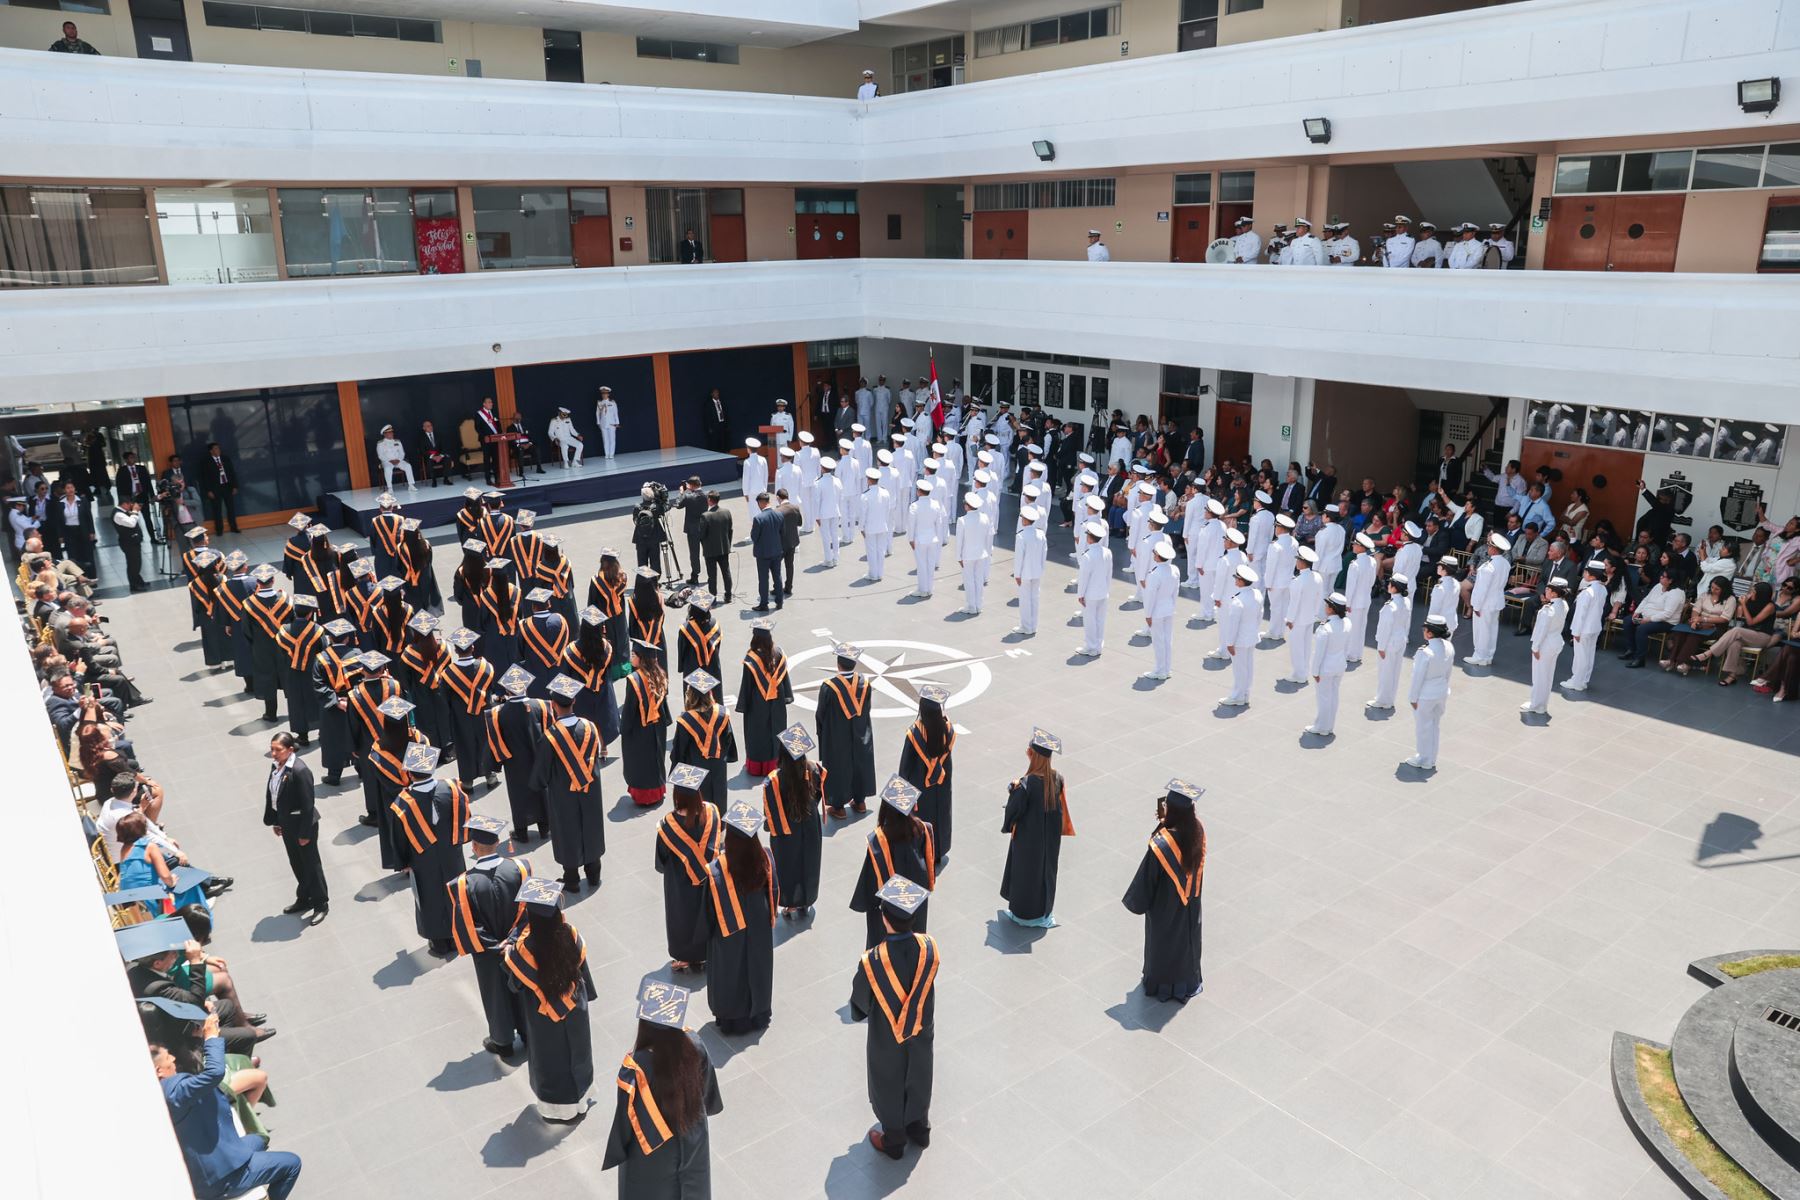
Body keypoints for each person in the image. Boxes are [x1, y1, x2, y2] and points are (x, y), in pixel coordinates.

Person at [154, 1021, 302, 1200]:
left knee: (259, 1140)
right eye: (167, 1057)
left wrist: (198, 1039)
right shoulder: (174, 1093)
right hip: (221, 1180)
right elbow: (214, 1073)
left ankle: (252, 1165)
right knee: (292, 1164)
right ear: (158, 1070)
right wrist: (211, 1037)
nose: (172, 1059)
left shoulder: (165, 1092)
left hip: (215, 1159)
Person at [603, 978, 724, 1191]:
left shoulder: (636, 1067)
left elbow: (625, 1118)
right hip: (691, 1134)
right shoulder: (694, 1044)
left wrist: (619, 1148)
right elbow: (706, 1089)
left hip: (652, 1152)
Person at [503, 879, 597, 1123]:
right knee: (578, 1051)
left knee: (552, 1059)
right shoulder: (570, 934)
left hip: (544, 1016)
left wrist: (509, 953)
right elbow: (582, 968)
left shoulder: (524, 950)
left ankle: (558, 1110)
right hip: (574, 1006)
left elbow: (515, 985)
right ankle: (581, 1100)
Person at [448, 814, 530, 1055]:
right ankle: (529, 1034)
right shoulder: (521, 869)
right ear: (497, 842)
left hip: (487, 953)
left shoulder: (463, 883)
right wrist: (512, 941)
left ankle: (503, 1043)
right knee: (524, 985)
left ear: (474, 847)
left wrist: (496, 947)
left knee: (495, 994)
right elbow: (529, 909)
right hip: (519, 946)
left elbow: (468, 926)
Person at [1121, 779, 1206, 1002]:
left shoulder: (1162, 844)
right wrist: (1165, 825)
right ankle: (1188, 982)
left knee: (1163, 945)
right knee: (1187, 944)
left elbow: (1147, 879)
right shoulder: (1197, 831)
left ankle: (1162, 986)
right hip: (1190, 905)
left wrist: (1162, 828)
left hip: (1165, 907)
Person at [700, 799, 776, 1034]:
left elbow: (707, 914)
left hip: (728, 932)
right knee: (758, 966)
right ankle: (759, 1012)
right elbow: (774, 893)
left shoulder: (717, 871)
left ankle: (732, 1019)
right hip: (759, 925)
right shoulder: (765, 858)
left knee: (731, 969)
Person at [533, 674, 605, 892]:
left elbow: (541, 773)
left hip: (563, 793)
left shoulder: (550, 737)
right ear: (574, 700)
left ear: (553, 705)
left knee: (567, 831)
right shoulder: (591, 727)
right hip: (590, 790)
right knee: (591, 827)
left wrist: (538, 783)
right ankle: (594, 874)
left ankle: (572, 879)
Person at [850, 777, 937, 947]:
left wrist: (868, 903)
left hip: (888, 910)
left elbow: (870, 883)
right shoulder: (923, 829)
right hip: (915, 902)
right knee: (914, 943)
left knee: (886, 950)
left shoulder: (879, 841)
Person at [1000, 729, 1068, 928]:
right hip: (1050, 841)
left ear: (1032, 755)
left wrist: (1012, 791)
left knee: (1026, 874)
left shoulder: (1026, 785)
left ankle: (1024, 916)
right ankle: (1043, 913)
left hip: (1028, 840)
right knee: (1045, 873)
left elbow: (1013, 813)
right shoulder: (1057, 779)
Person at [656, 763, 720, 973]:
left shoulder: (668, 824)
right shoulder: (712, 812)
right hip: (710, 878)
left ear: (677, 796)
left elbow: (662, 859)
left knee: (681, 918)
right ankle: (709, 951)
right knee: (709, 912)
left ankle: (684, 957)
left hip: (680, 884)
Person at [261, 732, 328, 921]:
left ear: (290, 750)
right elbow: (275, 796)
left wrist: (305, 833)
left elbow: (308, 805)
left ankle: (321, 903)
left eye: (278, 750)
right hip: (287, 823)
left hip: (302, 824)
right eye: (272, 749)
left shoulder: (300, 771)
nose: (274, 754)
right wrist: (277, 821)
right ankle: (304, 897)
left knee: (311, 864)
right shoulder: (276, 767)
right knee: (296, 862)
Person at [486, 664, 549, 840]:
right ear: (526, 686)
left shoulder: (498, 713)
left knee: (518, 795)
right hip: (538, 758)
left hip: (515, 763)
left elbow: (496, 742)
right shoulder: (541, 706)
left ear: (507, 690)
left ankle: (521, 832)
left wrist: (496, 763)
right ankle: (545, 828)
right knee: (542, 791)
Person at [815, 643, 876, 819]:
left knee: (838, 767)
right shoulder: (865, 684)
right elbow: (867, 709)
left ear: (838, 664)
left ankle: (839, 807)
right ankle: (860, 801)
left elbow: (821, 714)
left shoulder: (829, 687)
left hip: (837, 735)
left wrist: (823, 734)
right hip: (860, 732)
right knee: (860, 764)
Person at [734, 619, 791, 776]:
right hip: (777, 701)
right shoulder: (779, 653)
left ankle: (758, 767)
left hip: (757, 703)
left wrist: (744, 705)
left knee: (757, 733)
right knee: (776, 730)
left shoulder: (751, 659)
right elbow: (784, 680)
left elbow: (747, 686)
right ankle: (776, 763)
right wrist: (785, 696)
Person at [620, 641, 672, 807]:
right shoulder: (660, 674)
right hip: (657, 726)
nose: (631, 658)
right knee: (656, 758)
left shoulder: (633, 680)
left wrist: (624, 729)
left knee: (641, 761)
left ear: (641, 658)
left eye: (633, 655)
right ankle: (658, 791)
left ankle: (644, 797)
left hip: (639, 728)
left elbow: (629, 708)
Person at [1406, 614, 1455, 771]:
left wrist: (1413, 698)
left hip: (1426, 695)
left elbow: (1417, 677)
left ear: (1430, 633)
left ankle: (1424, 758)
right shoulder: (1449, 646)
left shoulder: (1425, 652)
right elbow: (1448, 672)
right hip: (1441, 691)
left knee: (1423, 728)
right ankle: (1432, 758)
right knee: (1434, 726)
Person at [1663, 575, 1736, 672]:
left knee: (1694, 636)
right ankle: (1671, 660)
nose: (1713, 590)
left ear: (1724, 589)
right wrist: (1695, 620)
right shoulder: (1705, 595)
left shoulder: (1731, 599)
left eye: (1717, 589)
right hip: (1699, 623)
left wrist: (1703, 619)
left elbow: (1724, 619)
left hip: (1717, 627)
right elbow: (1696, 610)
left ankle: (1682, 662)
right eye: (1712, 587)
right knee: (1681, 632)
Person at [1305, 592, 1351, 736]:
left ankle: (1322, 727)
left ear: (1332, 608)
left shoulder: (1325, 628)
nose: (1325, 607)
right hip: (1339, 665)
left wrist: (1315, 671)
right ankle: (1329, 726)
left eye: (1327, 605)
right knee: (1333, 696)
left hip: (1325, 669)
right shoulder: (1347, 623)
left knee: (1323, 698)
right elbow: (1346, 646)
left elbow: (1318, 653)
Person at [1621, 567, 1685, 669]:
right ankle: (1631, 649)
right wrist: (1637, 611)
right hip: (1647, 616)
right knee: (1628, 620)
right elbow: (1646, 599)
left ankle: (1640, 659)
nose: (1660, 577)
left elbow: (1667, 614)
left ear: (1671, 580)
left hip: (1666, 622)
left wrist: (1649, 619)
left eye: (1663, 577)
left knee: (1642, 629)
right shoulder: (1658, 586)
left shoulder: (1676, 593)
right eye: (1661, 575)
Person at [1365, 574, 1412, 711]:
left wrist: (1381, 646)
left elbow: (1385, 628)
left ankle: (1382, 700)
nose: (1388, 586)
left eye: (1390, 584)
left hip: (1390, 642)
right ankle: (1390, 699)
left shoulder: (1390, 607)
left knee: (1385, 672)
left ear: (1394, 587)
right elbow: (1406, 622)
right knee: (1395, 671)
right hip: (1401, 639)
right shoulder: (1406, 601)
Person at [1524, 577, 1571, 714]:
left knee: (1539, 676)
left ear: (1555, 593)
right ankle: (1542, 704)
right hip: (1555, 642)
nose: (1546, 591)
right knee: (1547, 675)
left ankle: (1536, 705)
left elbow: (1541, 630)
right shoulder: (1563, 604)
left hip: (1545, 644)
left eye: (1549, 589)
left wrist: (1535, 647)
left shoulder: (1548, 609)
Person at [1561, 559, 1608, 693]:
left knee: (1580, 656)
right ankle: (1584, 680)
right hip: (1595, 627)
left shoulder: (1587, 592)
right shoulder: (1603, 589)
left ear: (1592, 575)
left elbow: (1580, 614)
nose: (1584, 573)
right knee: (1589, 655)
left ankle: (1576, 681)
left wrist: (1576, 631)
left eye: (1587, 572)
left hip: (1584, 629)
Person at [1217, 562, 1259, 706]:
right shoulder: (1257, 594)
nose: (1235, 580)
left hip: (1240, 640)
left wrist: (1229, 643)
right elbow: (1259, 616)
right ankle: (1245, 694)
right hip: (1252, 636)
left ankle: (1237, 696)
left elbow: (1233, 625)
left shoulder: (1238, 601)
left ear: (1242, 581)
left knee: (1239, 669)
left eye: (1237, 578)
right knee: (1248, 666)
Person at [1467, 532, 1510, 667]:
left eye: (1489, 546)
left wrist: (1476, 606)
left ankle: (1479, 656)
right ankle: (1488, 656)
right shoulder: (1505, 563)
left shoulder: (1489, 567)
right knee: (1491, 630)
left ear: (1494, 549)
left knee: (1481, 631)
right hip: (1496, 601)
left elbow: (1482, 589)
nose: (1488, 548)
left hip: (1485, 603)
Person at [1073, 518, 1113, 658]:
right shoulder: (1107, 552)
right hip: (1103, 592)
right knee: (1100, 620)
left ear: (1089, 538)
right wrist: (1107, 589)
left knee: (1090, 621)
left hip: (1090, 594)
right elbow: (1109, 574)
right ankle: (1098, 645)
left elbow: (1084, 578)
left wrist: (1080, 595)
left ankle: (1091, 647)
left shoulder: (1087, 556)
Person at [1011, 504, 1047, 635]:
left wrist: (1017, 574)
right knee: (1035, 599)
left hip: (1025, 573)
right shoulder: (1041, 534)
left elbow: (1019, 557)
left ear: (1025, 520)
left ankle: (1026, 626)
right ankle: (1033, 626)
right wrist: (1041, 569)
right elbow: (1044, 554)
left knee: (1025, 600)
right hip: (1037, 571)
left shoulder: (1021, 536)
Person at [197, 442, 240, 535]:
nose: (218, 450)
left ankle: (234, 527)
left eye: (219, 448)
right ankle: (219, 530)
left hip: (227, 486)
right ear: (211, 451)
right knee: (217, 510)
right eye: (216, 448)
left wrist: (235, 486)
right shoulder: (206, 461)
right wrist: (208, 490)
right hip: (215, 488)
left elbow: (232, 472)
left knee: (231, 508)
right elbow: (205, 477)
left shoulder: (225, 458)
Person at [112, 497, 148, 592]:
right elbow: (131, 523)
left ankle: (139, 581)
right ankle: (134, 585)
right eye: (130, 505)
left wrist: (134, 511)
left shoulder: (124, 512)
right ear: (124, 504)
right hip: (128, 543)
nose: (131, 507)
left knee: (136, 563)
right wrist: (135, 511)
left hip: (133, 542)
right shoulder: (118, 514)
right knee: (133, 564)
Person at [375, 425, 416, 490]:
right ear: (385, 434)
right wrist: (390, 460)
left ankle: (411, 485)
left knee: (408, 466)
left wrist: (399, 459)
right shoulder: (380, 443)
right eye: (389, 432)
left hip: (398, 460)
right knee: (387, 469)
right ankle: (390, 487)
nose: (392, 434)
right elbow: (380, 455)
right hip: (387, 461)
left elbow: (402, 453)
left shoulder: (397, 441)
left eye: (392, 432)